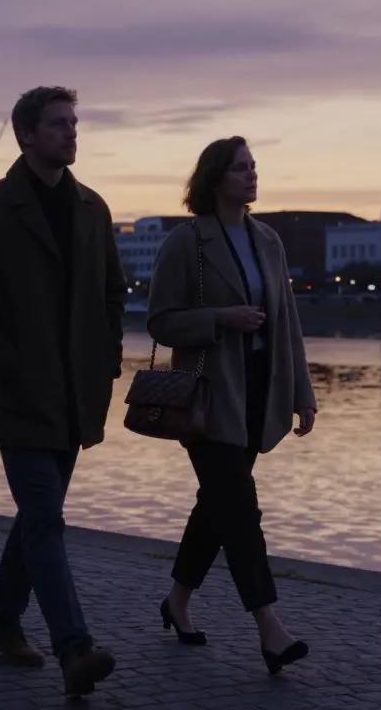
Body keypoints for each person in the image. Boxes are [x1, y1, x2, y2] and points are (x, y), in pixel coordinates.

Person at [0, 86, 127, 697]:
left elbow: (111, 294)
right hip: (20, 394)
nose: (71, 133)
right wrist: (7, 361)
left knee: (36, 517)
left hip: (76, 395)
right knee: (46, 517)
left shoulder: (93, 209)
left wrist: (107, 362)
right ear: (25, 134)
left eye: (74, 123)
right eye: (57, 125)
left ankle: (0, 623)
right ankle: (74, 647)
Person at [145, 136, 317, 675]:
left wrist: (302, 394)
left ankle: (176, 601)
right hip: (208, 394)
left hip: (259, 390)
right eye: (240, 168)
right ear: (215, 177)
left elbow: (287, 322)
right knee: (240, 507)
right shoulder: (187, 241)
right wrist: (220, 318)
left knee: (218, 504)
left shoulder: (268, 239)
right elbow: (160, 321)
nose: (251, 176)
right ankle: (270, 628)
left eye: (254, 167)